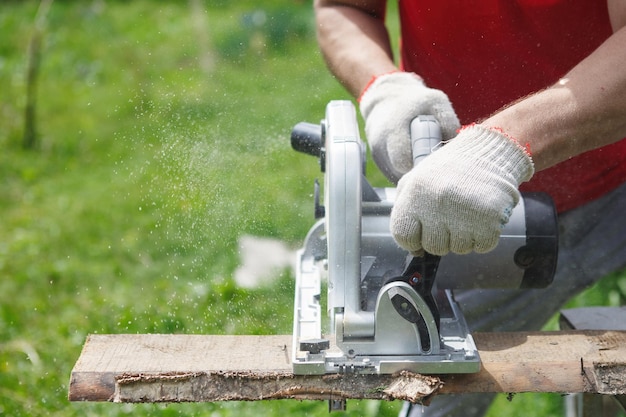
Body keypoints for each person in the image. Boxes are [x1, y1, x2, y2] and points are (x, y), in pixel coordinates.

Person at [313, 1, 626, 416]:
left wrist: (502, 148)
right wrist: (384, 90)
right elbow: (344, 7)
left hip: (616, 181)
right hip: (477, 224)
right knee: (438, 392)